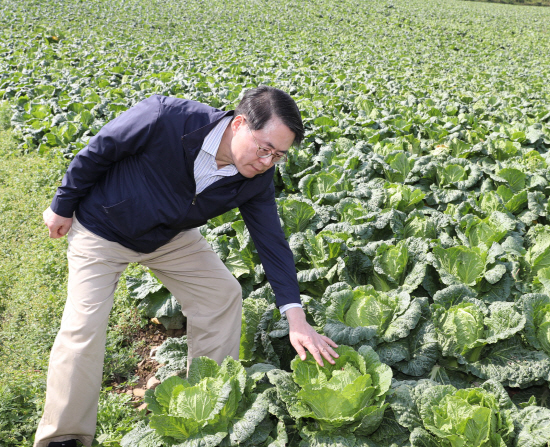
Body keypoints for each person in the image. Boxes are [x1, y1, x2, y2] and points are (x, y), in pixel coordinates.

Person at [36, 86, 339, 447]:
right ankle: (64, 437)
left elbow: (271, 243)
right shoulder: (165, 117)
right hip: (104, 228)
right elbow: (100, 150)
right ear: (239, 123)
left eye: (278, 156)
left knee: (222, 295)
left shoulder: (257, 179)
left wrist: (297, 319)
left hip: (169, 238)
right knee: (83, 328)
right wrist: (62, 204)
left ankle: (206, 404)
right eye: (264, 148)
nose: (266, 162)